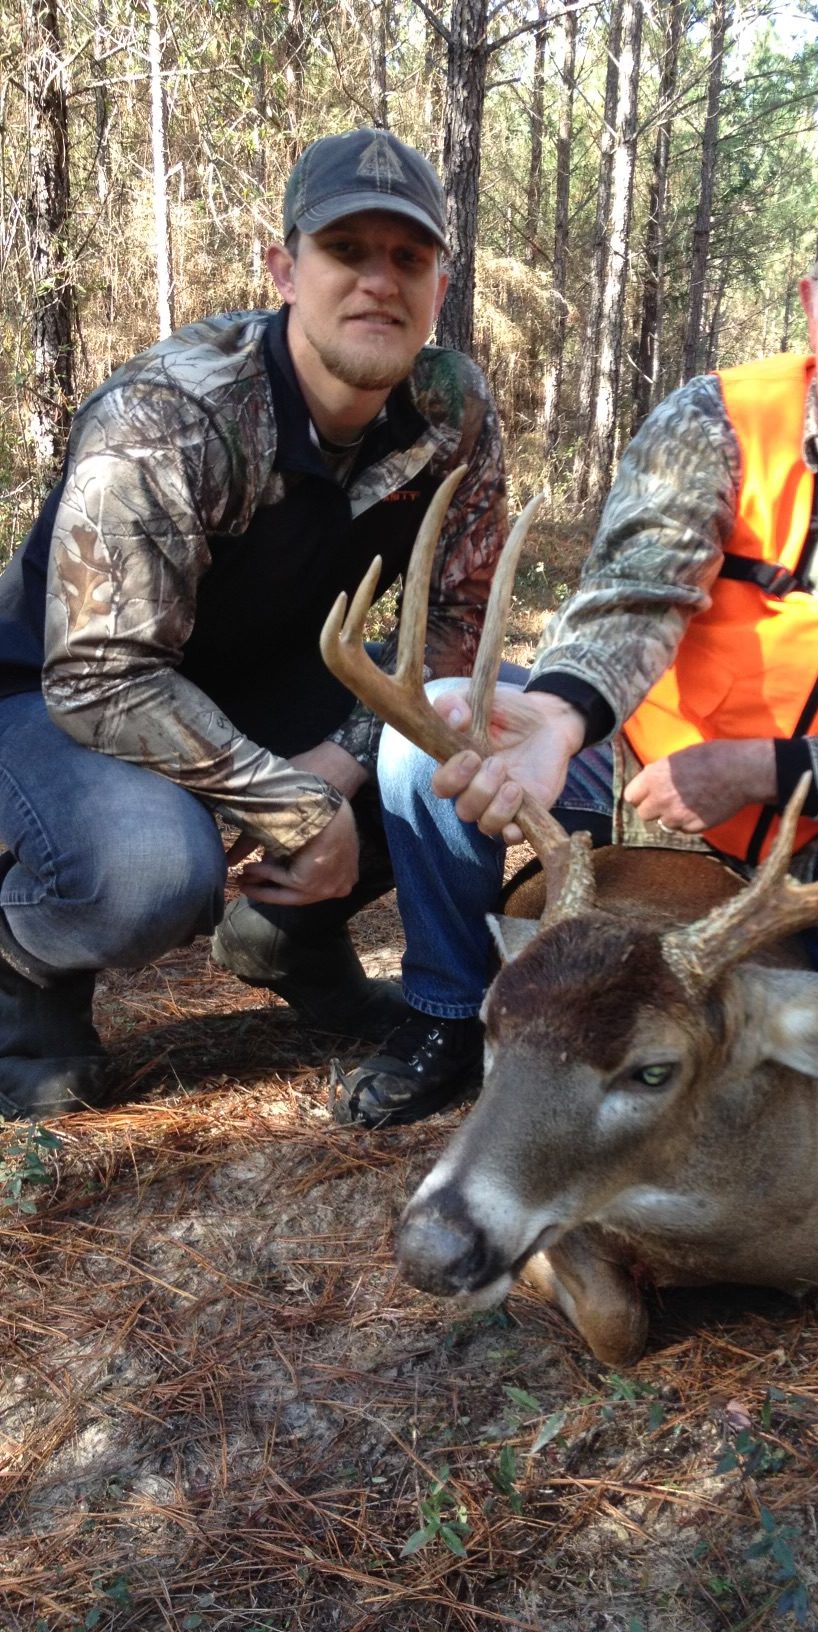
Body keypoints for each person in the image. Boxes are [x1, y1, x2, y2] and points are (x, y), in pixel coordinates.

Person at [330, 154, 818, 1131]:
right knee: (427, 737)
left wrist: (771, 770)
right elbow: (634, 591)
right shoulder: (720, 419)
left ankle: (810, 1038)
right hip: (642, 775)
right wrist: (563, 714)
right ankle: (448, 1010)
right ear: (813, 300)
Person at [0, 127, 507, 1120]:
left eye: (408, 258)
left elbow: (460, 618)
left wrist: (348, 759)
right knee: (154, 867)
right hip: (58, 699)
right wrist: (294, 804)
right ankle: (22, 970)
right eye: (346, 251)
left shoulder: (453, 410)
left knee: (466, 720)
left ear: (440, 286)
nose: (378, 282)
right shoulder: (170, 413)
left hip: (269, 680)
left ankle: (288, 940)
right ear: (285, 267)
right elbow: (102, 675)